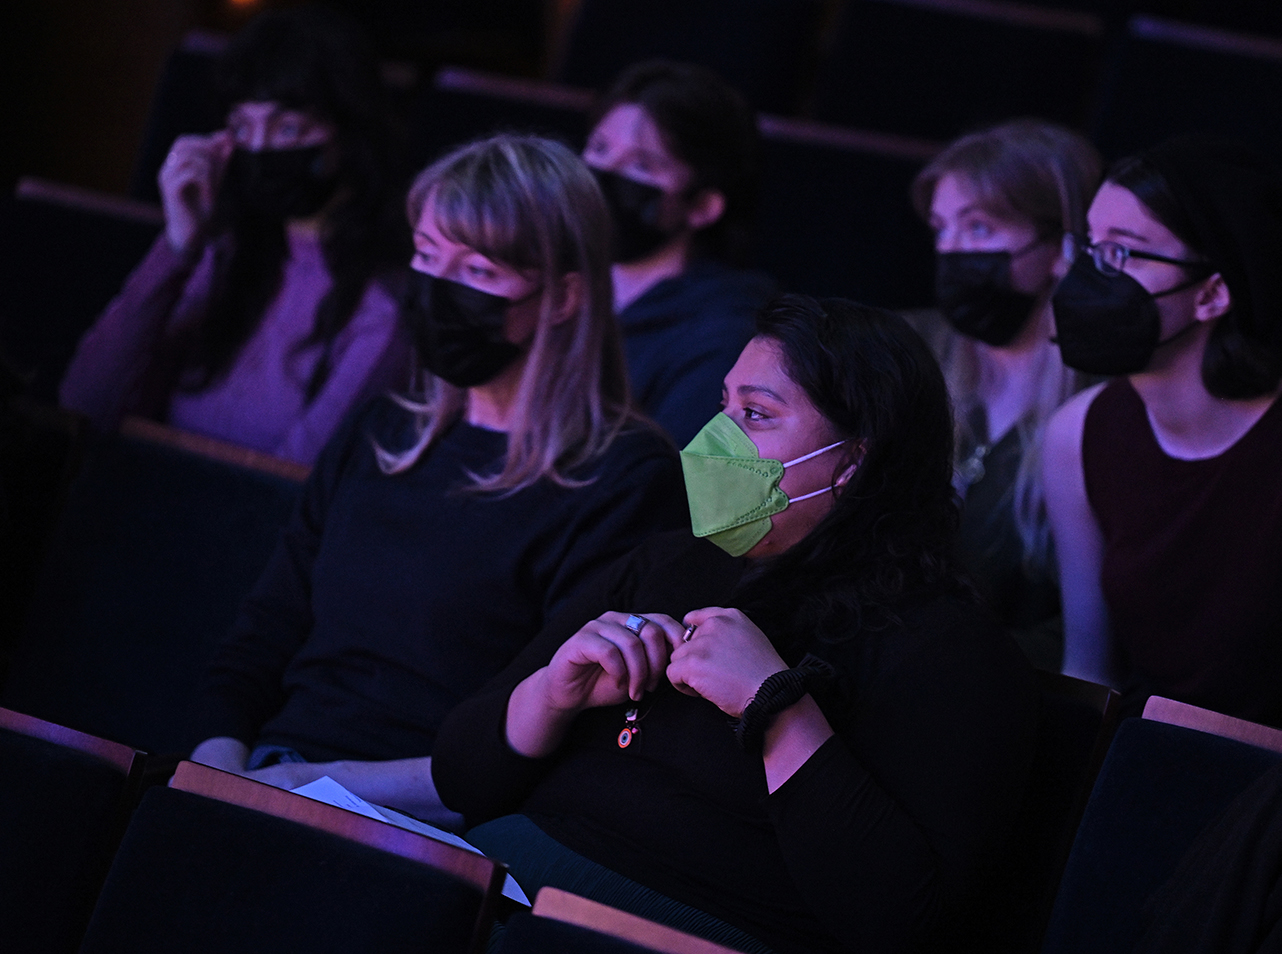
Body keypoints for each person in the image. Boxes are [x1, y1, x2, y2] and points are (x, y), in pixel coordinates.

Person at [432, 295, 1037, 954]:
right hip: (507, 883)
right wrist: (553, 692)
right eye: (724, 406)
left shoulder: (947, 647)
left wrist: (776, 707)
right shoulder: (669, 563)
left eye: (755, 414)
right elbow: (461, 777)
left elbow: (903, 925)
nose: (712, 439)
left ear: (855, 459)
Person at [187, 135, 688, 826]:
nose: (435, 290)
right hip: (273, 771)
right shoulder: (381, 430)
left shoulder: (622, 478)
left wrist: (319, 784)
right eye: (425, 256)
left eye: (478, 272)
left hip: (426, 820)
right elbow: (263, 634)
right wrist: (218, 764)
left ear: (564, 296)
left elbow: (546, 738)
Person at [1043, 137, 1282, 735]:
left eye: (1121, 253)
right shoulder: (1076, 432)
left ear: (1213, 293)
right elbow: (1089, 671)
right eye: (1088, 245)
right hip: (1136, 767)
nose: (1083, 273)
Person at [60, 7, 410, 466]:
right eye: (243, 127)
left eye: (288, 128)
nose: (261, 148)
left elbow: (289, 487)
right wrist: (176, 249)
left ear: (348, 129)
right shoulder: (226, 256)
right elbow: (87, 404)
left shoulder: (383, 303)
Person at [907, 119, 1101, 670]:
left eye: (979, 230)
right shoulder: (912, 352)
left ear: (1064, 245)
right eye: (942, 230)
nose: (951, 252)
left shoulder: (1106, 407)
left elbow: (1094, 633)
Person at [583, 60, 778, 447]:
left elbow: (664, 480)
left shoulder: (720, 337)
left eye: (641, 165)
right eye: (599, 148)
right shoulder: (549, 283)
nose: (603, 173)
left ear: (703, 205)